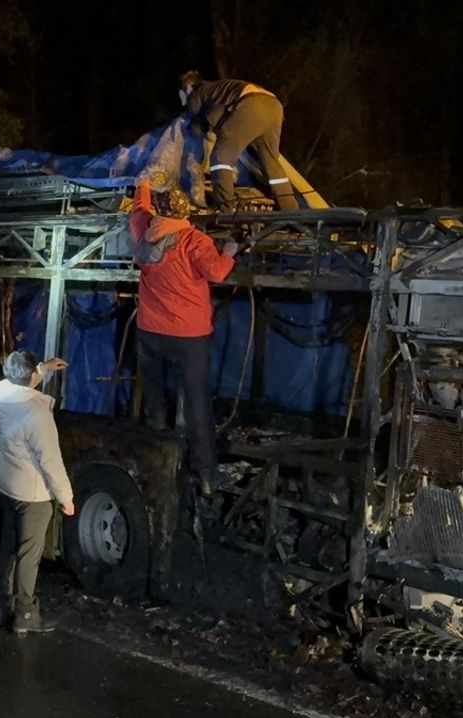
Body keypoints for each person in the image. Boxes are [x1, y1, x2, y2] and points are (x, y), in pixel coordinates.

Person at [129, 177, 240, 495]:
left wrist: (144, 185)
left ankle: (153, 463)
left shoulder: (142, 230)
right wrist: (230, 251)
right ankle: (205, 475)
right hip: (189, 337)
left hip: (150, 332)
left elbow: (139, 208)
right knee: (196, 403)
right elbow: (217, 273)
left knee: (154, 400)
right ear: (185, 211)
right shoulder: (194, 240)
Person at [0, 350, 74, 633]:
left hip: (7, 486)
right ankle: (25, 614)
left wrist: (42, 368)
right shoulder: (37, 414)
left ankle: (0, 606)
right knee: (29, 554)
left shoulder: (1, 392)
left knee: (8, 548)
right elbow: (50, 460)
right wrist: (66, 498)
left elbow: (23, 385)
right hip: (33, 494)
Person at [178, 70, 299, 212]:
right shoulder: (218, 90)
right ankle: (290, 209)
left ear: (188, 87)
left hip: (252, 104)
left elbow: (194, 120)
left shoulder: (198, 92)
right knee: (271, 162)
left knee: (221, 156)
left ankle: (225, 206)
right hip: (274, 106)